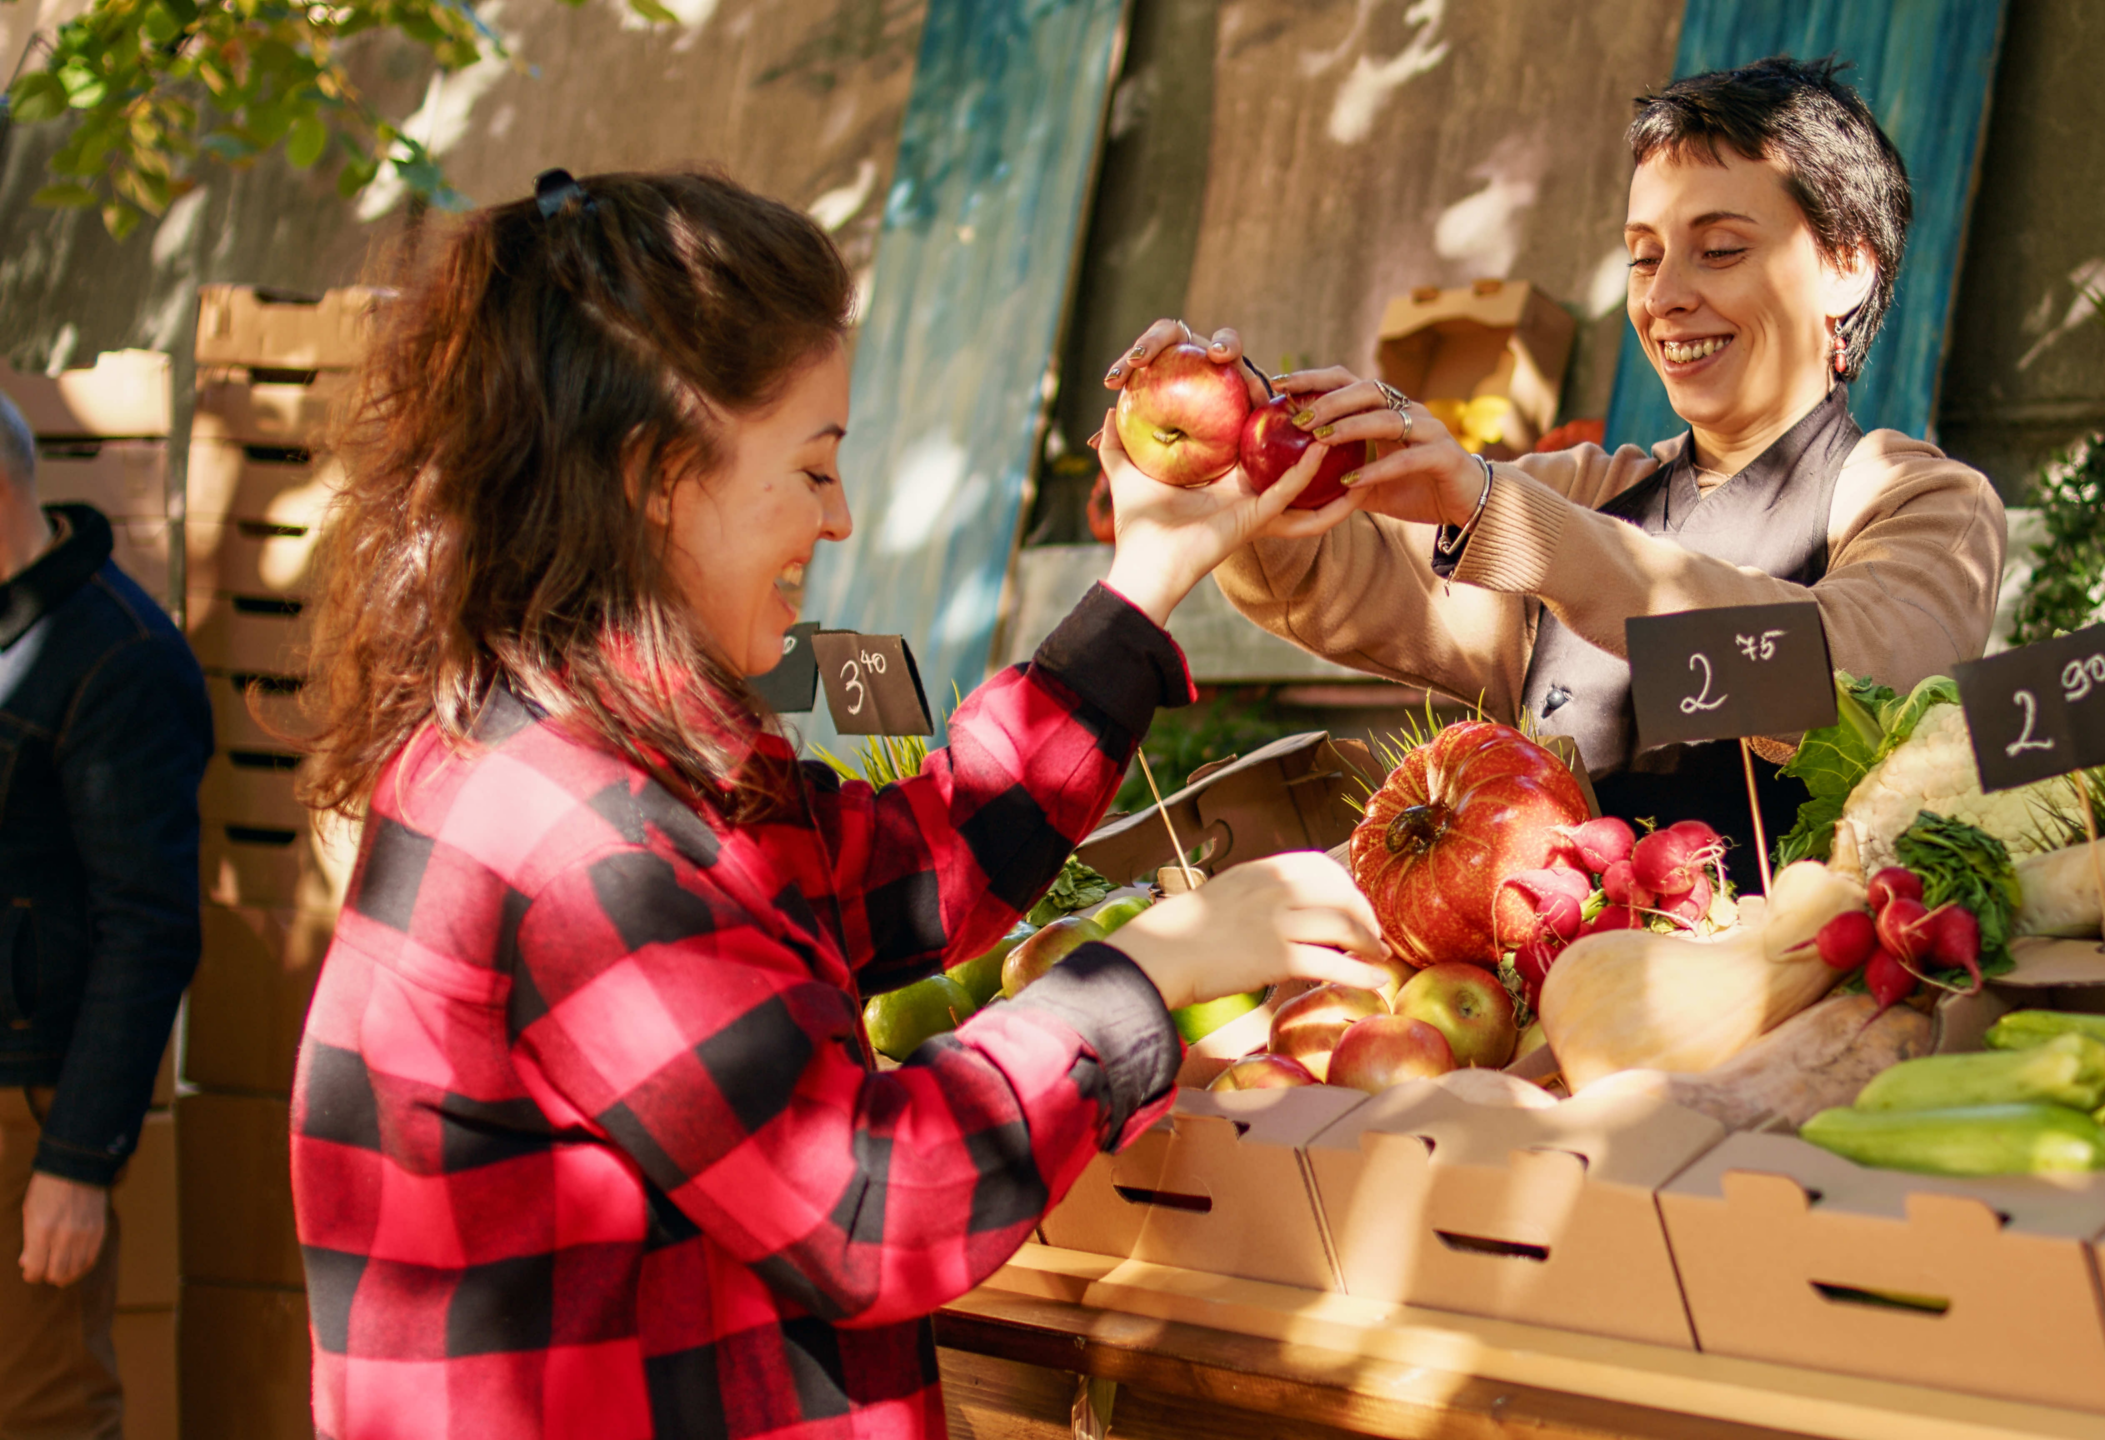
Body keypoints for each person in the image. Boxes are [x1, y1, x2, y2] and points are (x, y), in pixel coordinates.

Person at [285, 168, 1382, 1440]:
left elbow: (920, 868)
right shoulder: (580, 843)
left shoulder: (614, 753)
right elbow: (871, 1207)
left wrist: (1151, 569)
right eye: (811, 470)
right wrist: (1143, 970)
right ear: (657, 476)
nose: (841, 516)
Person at [1106, 58, 2006, 879]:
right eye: (1644, 256)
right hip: (1547, 1019)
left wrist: (1523, 529)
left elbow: (1855, 684)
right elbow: (1344, 583)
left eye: (1720, 249)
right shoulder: (1593, 487)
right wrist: (1232, 460)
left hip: (1774, 1006)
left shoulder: (1914, 499)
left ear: (1847, 266)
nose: (1664, 297)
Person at [0, 391, 212, 1437]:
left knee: (41, 1416)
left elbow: (152, 928)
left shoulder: (118, 658)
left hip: (24, 1114)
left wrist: (78, 1164)